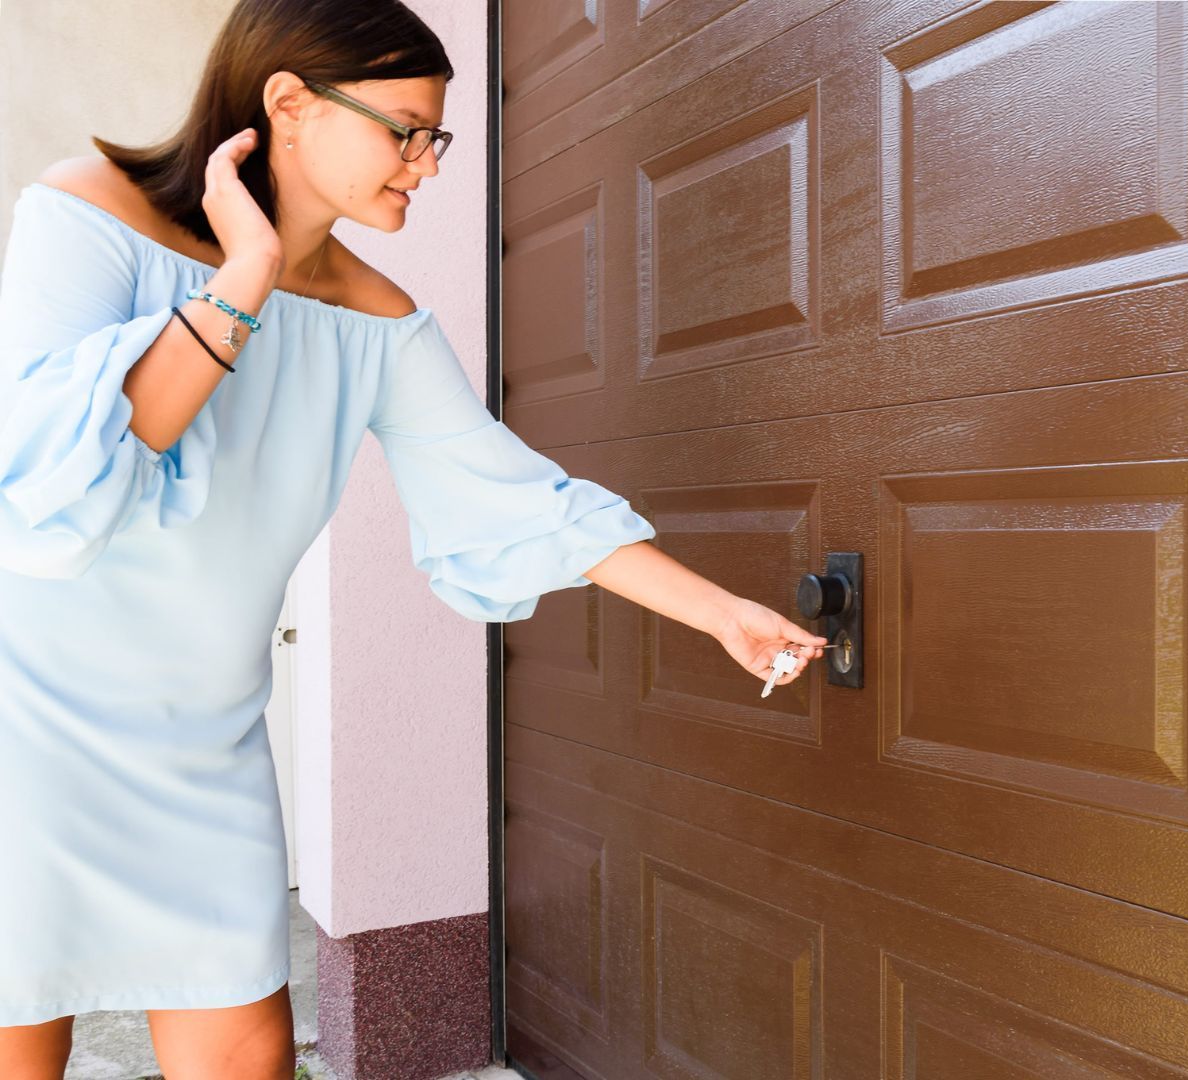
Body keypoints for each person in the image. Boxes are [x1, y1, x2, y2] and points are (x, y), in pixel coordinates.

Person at [0, 1, 827, 1074]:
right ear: (289, 104)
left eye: (435, 136)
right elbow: (59, 487)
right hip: (28, 723)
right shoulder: (86, 210)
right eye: (405, 129)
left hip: (204, 748)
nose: (427, 164)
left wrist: (722, 613)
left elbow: (516, 499)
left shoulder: (382, 325)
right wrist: (243, 274)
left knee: (249, 1053)